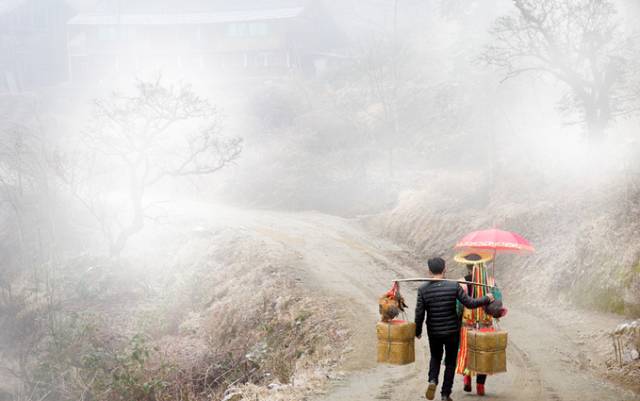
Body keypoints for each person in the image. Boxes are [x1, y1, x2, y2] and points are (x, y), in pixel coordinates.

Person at [415, 257, 494, 401]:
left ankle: (432, 380)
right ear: (445, 269)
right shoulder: (453, 286)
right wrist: (487, 298)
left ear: (429, 271)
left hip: (434, 331)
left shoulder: (423, 289)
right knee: (451, 362)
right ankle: (445, 394)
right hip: (452, 331)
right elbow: (470, 303)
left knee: (435, 357)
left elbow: (419, 313)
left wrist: (418, 331)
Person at [454, 252, 505, 397]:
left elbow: (457, 306)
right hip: (486, 324)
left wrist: (457, 318)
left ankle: (467, 379)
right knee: (484, 353)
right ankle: (481, 386)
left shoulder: (462, 283)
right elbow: (498, 303)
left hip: (467, 324)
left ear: (467, 266)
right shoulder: (490, 282)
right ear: (482, 265)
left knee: (468, 352)